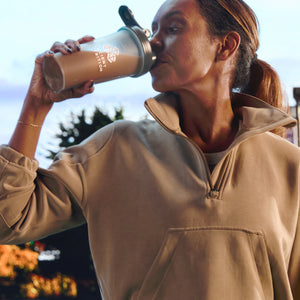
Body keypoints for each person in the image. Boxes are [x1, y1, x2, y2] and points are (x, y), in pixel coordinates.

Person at [0, 0, 299, 298]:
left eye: (172, 28)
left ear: (225, 46)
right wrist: (36, 105)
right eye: (152, 30)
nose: (153, 42)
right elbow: (8, 220)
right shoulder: (114, 149)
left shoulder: (290, 167)